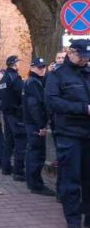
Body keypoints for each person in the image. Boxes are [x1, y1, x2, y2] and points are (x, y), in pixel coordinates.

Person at [45, 39, 90, 228]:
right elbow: (52, 102)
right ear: (70, 52)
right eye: (81, 56)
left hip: (88, 133)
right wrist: (83, 109)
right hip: (69, 133)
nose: (84, 60)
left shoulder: (88, 72)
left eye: (87, 57)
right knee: (71, 179)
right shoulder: (57, 75)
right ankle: (73, 221)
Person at [22, 57, 55, 197]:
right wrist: (41, 125)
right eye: (39, 67)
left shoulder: (32, 81)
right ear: (32, 67)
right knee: (36, 154)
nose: (42, 69)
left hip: (31, 123)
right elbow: (34, 106)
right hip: (34, 124)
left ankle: (33, 182)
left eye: (43, 67)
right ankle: (36, 185)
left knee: (33, 154)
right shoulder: (33, 83)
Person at [0, 55, 27, 182]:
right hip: (16, 114)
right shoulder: (14, 77)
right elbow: (22, 95)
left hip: (7, 113)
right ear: (14, 64)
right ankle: (19, 172)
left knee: (9, 141)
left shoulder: (4, 78)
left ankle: (6, 167)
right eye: (18, 63)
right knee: (20, 142)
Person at [48, 49, 66, 203]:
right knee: (64, 159)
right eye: (58, 58)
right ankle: (61, 192)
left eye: (63, 58)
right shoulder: (52, 76)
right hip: (59, 123)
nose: (61, 60)